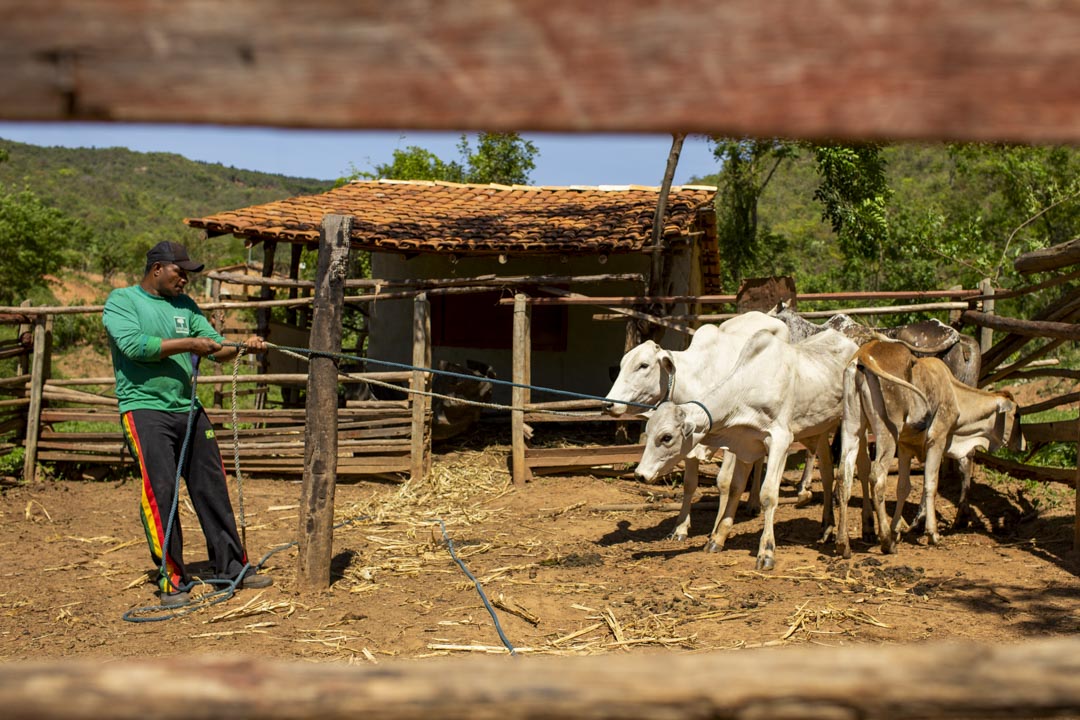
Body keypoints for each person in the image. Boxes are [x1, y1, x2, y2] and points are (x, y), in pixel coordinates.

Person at [103, 240, 273, 605]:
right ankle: (172, 580)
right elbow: (134, 346)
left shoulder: (187, 307)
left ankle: (232, 567)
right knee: (161, 493)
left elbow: (215, 347)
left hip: (188, 409)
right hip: (145, 409)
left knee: (212, 488)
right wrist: (189, 345)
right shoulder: (123, 301)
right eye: (181, 272)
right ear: (158, 269)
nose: (185, 280)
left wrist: (242, 345)